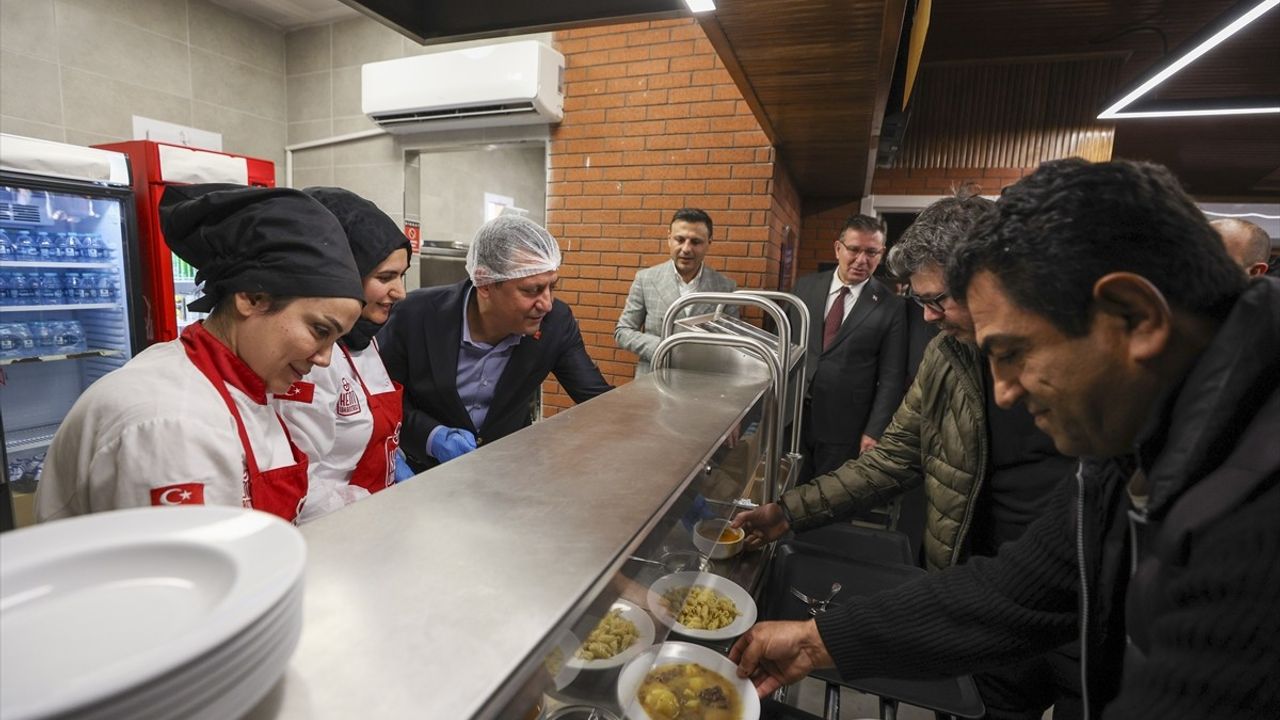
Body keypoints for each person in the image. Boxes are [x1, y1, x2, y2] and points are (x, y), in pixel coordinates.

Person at [729, 159, 1280, 720]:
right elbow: (1025, 587)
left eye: (1015, 353)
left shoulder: (1246, 515)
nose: (1006, 390)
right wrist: (814, 640)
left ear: (1135, 317)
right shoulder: (1125, 440)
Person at [735, 192, 1080, 718]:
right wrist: (787, 513)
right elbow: (894, 457)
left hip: (1075, 601)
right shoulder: (948, 353)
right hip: (978, 587)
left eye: (938, 300)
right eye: (919, 300)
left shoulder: (1084, 367)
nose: (927, 315)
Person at [36, 185, 365, 523]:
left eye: (336, 340)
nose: (325, 358)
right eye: (320, 331)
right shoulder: (174, 424)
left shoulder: (246, 386)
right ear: (252, 298)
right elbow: (184, 571)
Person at [379, 215, 612, 471]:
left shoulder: (555, 322)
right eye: (531, 290)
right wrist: (433, 437)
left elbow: (596, 398)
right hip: (427, 471)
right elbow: (383, 397)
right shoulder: (415, 315)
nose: (546, 303)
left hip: (508, 468)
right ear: (486, 285)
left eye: (551, 287)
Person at [272, 187, 412, 523]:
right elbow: (298, 477)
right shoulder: (311, 358)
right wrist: (358, 508)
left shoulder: (366, 335)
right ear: (346, 272)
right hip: (333, 528)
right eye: (385, 277)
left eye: (402, 276)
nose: (401, 292)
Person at [789, 214, 906, 481]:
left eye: (871, 252)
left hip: (843, 426)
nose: (861, 260)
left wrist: (874, 431)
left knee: (824, 501)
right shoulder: (804, 288)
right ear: (838, 248)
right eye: (854, 249)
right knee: (780, 491)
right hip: (791, 417)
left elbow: (892, 376)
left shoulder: (891, 306)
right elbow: (778, 348)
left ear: (882, 253)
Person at [615, 208, 738, 375]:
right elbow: (623, 331)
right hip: (653, 378)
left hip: (705, 381)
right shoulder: (646, 279)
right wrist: (663, 348)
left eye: (696, 242)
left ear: (709, 242)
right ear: (669, 239)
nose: (686, 249)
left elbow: (733, 342)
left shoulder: (725, 288)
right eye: (680, 240)